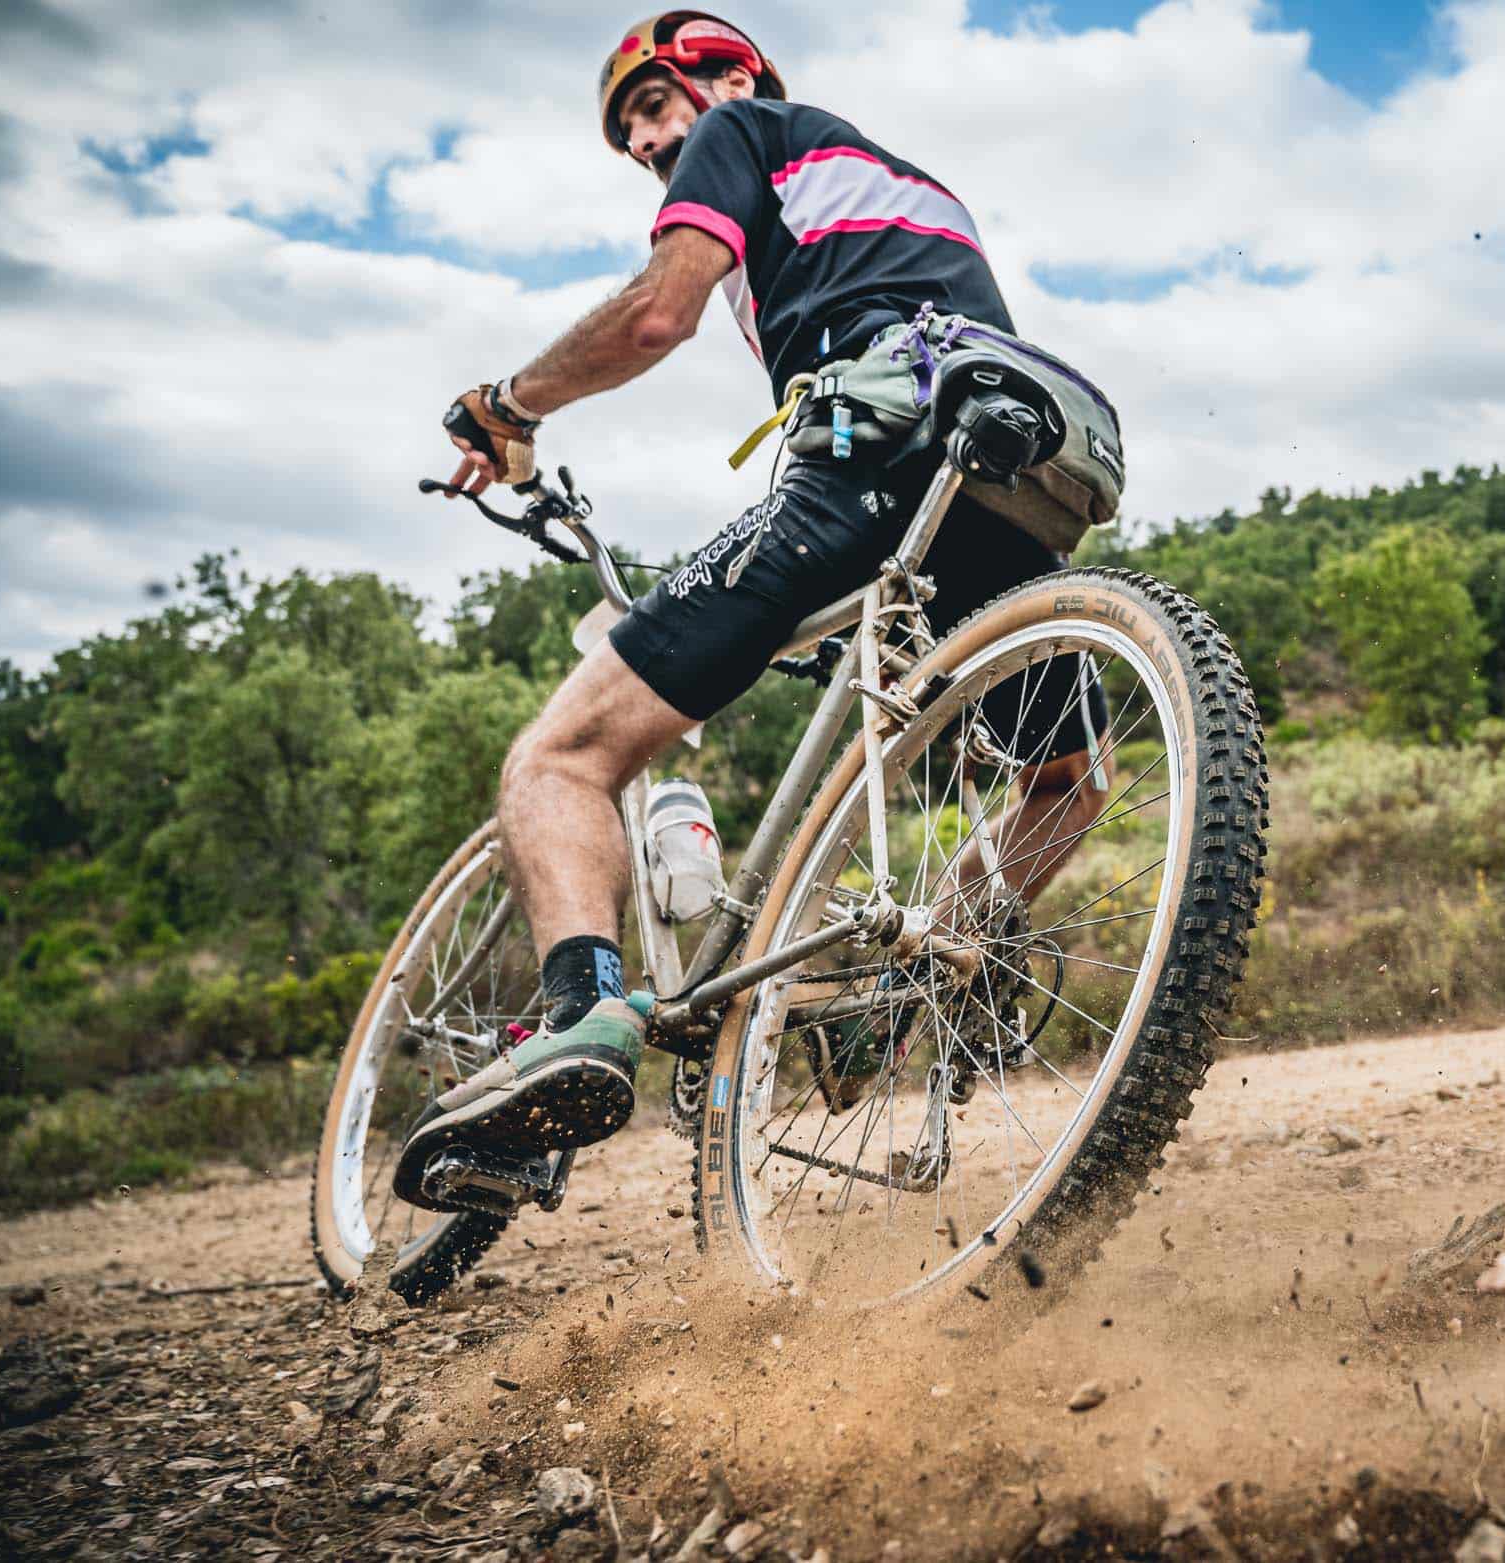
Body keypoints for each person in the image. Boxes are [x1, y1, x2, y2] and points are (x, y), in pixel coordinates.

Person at [396, 10, 1107, 1208]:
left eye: (652, 108)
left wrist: (508, 405)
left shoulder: (747, 134)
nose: (646, 146)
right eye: (631, 135)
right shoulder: (893, 182)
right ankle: (898, 993)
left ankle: (582, 1019)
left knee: (558, 761)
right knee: (1065, 783)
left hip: (868, 464)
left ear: (729, 76)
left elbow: (656, 313)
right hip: (1010, 483)